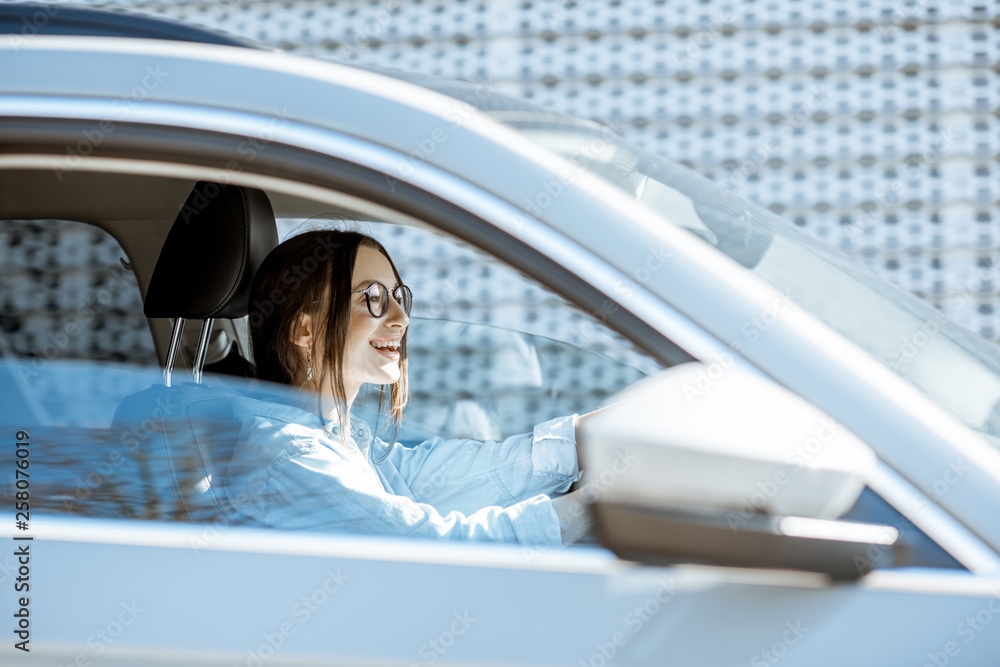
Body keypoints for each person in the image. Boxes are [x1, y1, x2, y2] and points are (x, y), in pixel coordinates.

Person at [222, 229, 592, 546]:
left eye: (397, 298)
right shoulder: (293, 459)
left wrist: (587, 437)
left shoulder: (346, 444)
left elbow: (475, 473)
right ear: (304, 331)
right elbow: (432, 550)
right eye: (373, 299)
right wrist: (596, 510)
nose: (402, 318)